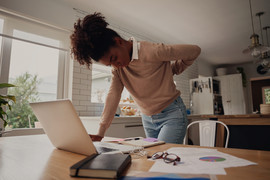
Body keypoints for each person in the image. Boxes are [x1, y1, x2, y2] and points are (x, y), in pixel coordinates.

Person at [70, 12, 201, 144]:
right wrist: (100, 132)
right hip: (147, 119)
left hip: (172, 113)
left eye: (114, 58)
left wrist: (173, 70)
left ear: (118, 42)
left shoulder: (152, 51)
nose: (116, 65)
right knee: (152, 158)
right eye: (110, 64)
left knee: (161, 158)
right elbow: (113, 95)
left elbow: (195, 51)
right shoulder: (118, 70)